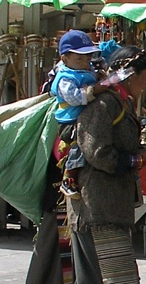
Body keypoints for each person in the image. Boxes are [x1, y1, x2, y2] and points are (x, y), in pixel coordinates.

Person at [57, 45, 146, 284]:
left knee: (116, 274)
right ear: (129, 76)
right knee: (97, 280)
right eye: (145, 78)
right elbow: (97, 153)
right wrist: (137, 159)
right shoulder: (104, 104)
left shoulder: (121, 103)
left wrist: (139, 153)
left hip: (110, 204)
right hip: (94, 205)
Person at [50, 30, 106, 199]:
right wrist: (93, 90)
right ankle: (69, 177)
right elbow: (75, 98)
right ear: (64, 59)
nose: (84, 63)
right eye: (79, 59)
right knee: (80, 145)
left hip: (85, 115)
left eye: (87, 58)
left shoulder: (86, 70)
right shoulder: (65, 79)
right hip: (70, 119)